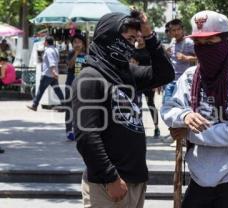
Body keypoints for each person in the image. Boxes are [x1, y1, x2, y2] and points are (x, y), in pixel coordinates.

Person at [161, 10, 228, 208]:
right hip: (200, 178)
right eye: (198, 44)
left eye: (210, 43)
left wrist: (189, 133)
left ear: (226, 41)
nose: (203, 49)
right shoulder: (192, 76)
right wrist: (184, 115)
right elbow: (168, 108)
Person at [72, 11, 174, 208]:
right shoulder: (90, 77)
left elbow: (165, 74)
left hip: (135, 181)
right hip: (109, 185)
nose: (132, 45)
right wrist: (110, 178)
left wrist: (149, 35)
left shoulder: (127, 73)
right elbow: (87, 135)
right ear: (109, 37)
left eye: (136, 40)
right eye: (128, 39)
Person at [132, 34, 160, 138]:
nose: (139, 38)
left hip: (149, 82)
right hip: (137, 82)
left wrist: (156, 83)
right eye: (137, 36)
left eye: (141, 37)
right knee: (136, 105)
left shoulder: (149, 50)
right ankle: (139, 128)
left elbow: (155, 66)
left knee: (150, 104)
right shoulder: (132, 50)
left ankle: (156, 128)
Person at [163, 19, 196, 105]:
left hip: (184, 83)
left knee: (182, 108)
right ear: (170, 32)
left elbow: (200, 57)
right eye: (173, 30)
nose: (176, 32)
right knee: (167, 107)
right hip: (171, 81)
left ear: (182, 30)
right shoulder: (173, 41)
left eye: (178, 29)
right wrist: (166, 52)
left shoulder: (189, 42)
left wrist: (186, 58)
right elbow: (173, 58)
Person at [27, 36, 64, 111]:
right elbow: (56, 61)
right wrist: (55, 72)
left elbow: (52, 61)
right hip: (53, 74)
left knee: (41, 90)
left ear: (46, 42)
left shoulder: (48, 50)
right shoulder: (55, 49)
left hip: (48, 74)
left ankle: (35, 105)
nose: (44, 43)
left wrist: (53, 71)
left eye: (45, 41)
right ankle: (65, 105)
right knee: (57, 90)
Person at [65, 34, 86, 141]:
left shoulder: (87, 55)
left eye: (79, 42)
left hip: (83, 85)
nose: (77, 44)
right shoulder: (70, 53)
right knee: (69, 106)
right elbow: (70, 65)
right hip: (70, 84)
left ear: (83, 44)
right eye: (75, 42)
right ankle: (69, 130)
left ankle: (81, 130)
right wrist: (76, 53)